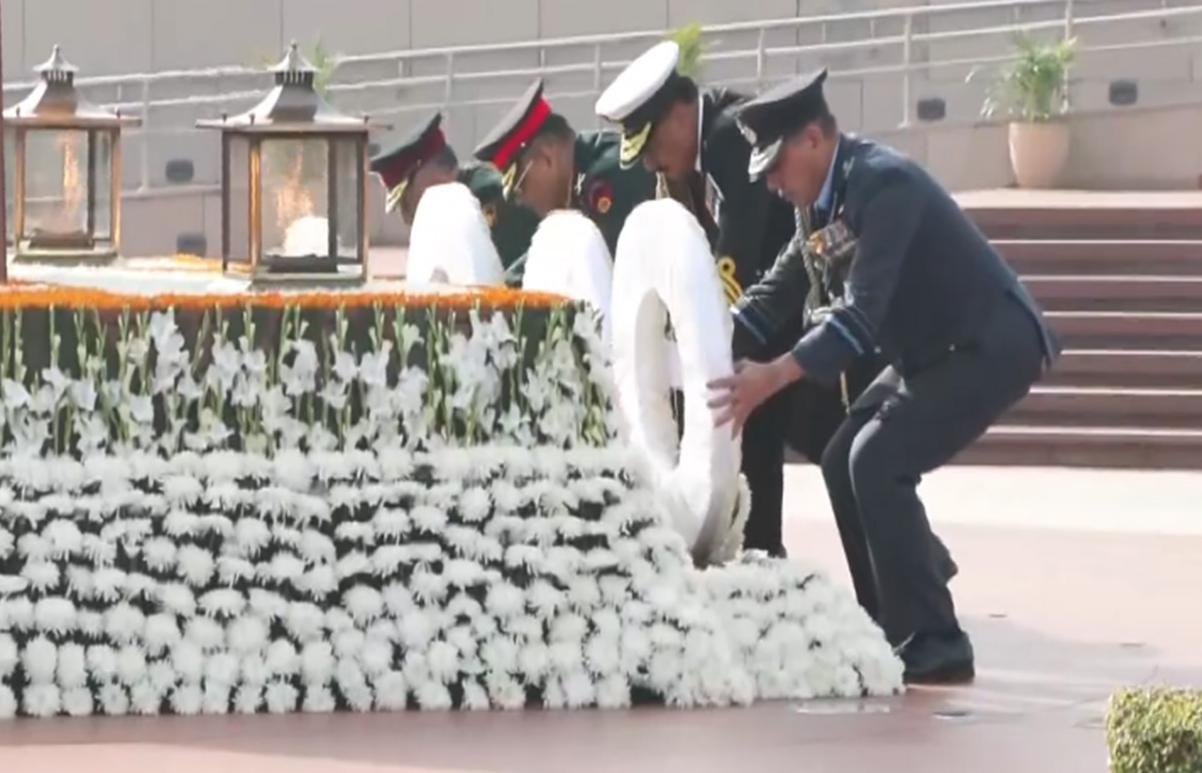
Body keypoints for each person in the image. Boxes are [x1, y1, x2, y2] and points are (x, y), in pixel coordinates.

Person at [708, 68, 1058, 685]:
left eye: (777, 165)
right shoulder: (819, 205)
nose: (771, 183)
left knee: (876, 460)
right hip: (932, 350)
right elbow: (773, 296)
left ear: (813, 138)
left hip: (990, 345)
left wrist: (772, 377)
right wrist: (701, 345)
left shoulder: (883, 185)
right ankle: (888, 621)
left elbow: (858, 318)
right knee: (842, 456)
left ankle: (936, 642)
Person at [594, 40, 881, 559]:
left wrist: (696, 337)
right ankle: (769, 558)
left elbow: (734, 258)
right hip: (773, 323)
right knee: (807, 454)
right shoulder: (689, 163)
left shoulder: (730, 136)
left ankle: (892, 563)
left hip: (812, 315)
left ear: (681, 116)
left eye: (652, 144)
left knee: (845, 457)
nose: (651, 163)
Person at [472, 78, 656, 265]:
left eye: (520, 187)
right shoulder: (575, 178)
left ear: (547, 158)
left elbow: (577, 259)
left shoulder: (606, 177)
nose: (521, 200)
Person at [370, 111, 538, 280]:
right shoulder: (451, 212)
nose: (407, 218)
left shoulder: (491, 196)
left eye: (406, 201)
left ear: (436, 175)